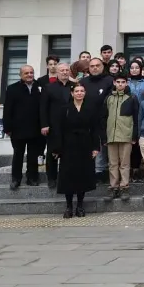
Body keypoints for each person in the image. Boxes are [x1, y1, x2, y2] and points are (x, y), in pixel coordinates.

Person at [49, 84, 100, 218]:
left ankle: (80, 206)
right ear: (72, 93)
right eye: (76, 91)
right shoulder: (64, 109)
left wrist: (95, 147)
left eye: (82, 91)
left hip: (85, 144)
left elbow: (95, 129)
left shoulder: (91, 108)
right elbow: (58, 130)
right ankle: (69, 206)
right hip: (68, 145)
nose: (79, 93)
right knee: (68, 175)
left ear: (85, 93)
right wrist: (57, 148)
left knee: (82, 175)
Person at [3, 65, 43, 189]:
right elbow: (7, 110)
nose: (29, 75)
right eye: (26, 73)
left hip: (35, 129)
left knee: (33, 155)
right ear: (21, 75)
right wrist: (7, 128)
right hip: (17, 129)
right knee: (18, 155)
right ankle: (16, 179)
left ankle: (32, 178)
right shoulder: (12, 89)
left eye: (31, 72)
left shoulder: (40, 88)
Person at [102, 74, 138, 201]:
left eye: (123, 82)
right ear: (114, 83)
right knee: (112, 163)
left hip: (126, 135)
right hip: (111, 135)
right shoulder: (108, 98)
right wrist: (104, 136)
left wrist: (134, 135)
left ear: (127, 83)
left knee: (124, 163)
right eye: (118, 82)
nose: (121, 84)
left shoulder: (132, 98)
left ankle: (124, 188)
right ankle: (113, 188)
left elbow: (136, 118)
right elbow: (104, 118)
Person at [40, 62, 73, 190]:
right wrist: (44, 124)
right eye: (62, 70)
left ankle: (66, 176)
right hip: (54, 126)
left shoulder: (75, 86)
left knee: (69, 153)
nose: (64, 72)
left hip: (70, 125)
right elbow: (43, 108)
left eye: (66, 70)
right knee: (52, 153)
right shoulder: (49, 87)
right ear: (57, 72)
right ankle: (52, 178)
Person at [81, 57, 113, 180]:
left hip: (106, 119)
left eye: (97, 65)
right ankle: (91, 171)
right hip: (87, 120)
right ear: (88, 68)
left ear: (102, 67)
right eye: (92, 66)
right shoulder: (83, 82)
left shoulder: (109, 80)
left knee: (105, 145)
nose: (95, 68)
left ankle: (103, 172)